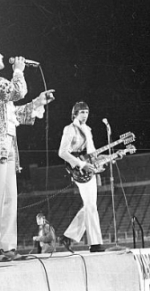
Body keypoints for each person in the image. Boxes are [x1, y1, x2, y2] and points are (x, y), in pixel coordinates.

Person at [0, 37, 55, 263]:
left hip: (7, 141)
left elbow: (12, 113)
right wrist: (18, 70)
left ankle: (7, 247)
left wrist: (37, 103)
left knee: (9, 197)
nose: (2, 56)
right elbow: (16, 91)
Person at [58, 101, 104, 253]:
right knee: (91, 206)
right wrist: (81, 164)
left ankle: (68, 236)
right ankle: (95, 243)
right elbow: (62, 152)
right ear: (75, 113)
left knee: (89, 205)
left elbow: (92, 153)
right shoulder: (70, 129)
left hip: (88, 169)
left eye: (87, 112)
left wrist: (110, 157)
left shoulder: (88, 130)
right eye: (82, 112)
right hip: (78, 169)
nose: (85, 115)